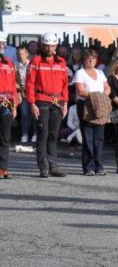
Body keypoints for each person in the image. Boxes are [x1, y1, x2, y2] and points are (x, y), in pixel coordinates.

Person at [25, 33, 69, 178]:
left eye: (52, 45)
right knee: (43, 134)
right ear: (42, 46)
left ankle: (53, 166)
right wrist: (32, 103)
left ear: (56, 46)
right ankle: (43, 167)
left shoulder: (61, 62)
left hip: (57, 102)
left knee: (53, 135)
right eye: (47, 45)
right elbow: (29, 85)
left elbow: (64, 85)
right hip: (41, 100)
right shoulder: (35, 61)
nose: (49, 48)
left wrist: (65, 102)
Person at [74, 49, 111, 176]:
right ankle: (88, 167)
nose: (91, 60)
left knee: (99, 138)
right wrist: (96, 96)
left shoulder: (100, 72)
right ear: (84, 60)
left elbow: (107, 87)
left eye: (93, 58)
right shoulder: (80, 73)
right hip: (86, 105)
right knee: (88, 137)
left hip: (100, 105)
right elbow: (80, 91)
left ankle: (99, 165)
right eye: (88, 58)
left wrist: (101, 98)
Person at [0, 32, 18, 179]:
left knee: (5, 138)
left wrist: (14, 106)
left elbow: (12, 86)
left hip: (6, 104)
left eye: (2, 44)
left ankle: (3, 168)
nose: (0, 46)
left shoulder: (9, 63)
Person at [15, 47, 36, 144]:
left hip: (33, 92)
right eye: (19, 54)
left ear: (27, 54)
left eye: (22, 53)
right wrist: (17, 88)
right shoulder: (16, 66)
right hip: (23, 92)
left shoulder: (32, 65)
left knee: (34, 114)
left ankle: (35, 134)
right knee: (24, 114)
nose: (20, 56)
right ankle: (25, 134)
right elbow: (14, 80)